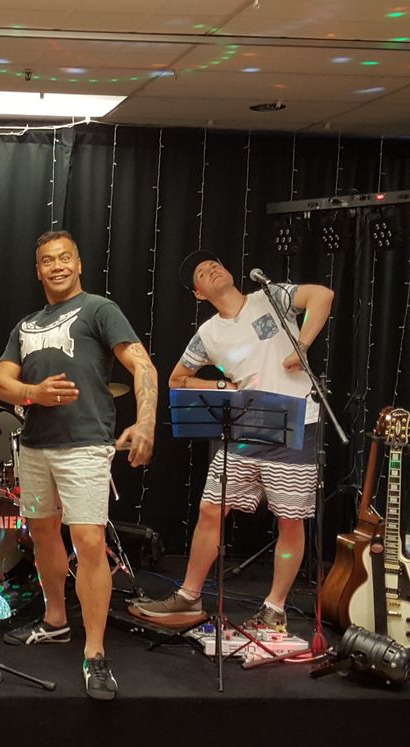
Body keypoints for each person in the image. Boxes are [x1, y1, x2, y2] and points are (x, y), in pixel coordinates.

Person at [0, 230, 158, 701]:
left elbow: (143, 366)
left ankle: (95, 652)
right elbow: (0, 382)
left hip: (85, 443)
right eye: (48, 260)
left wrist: (146, 423)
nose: (57, 266)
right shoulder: (26, 325)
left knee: (88, 540)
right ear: (38, 270)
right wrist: (33, 393)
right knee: (43, 534)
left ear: (79, 264)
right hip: (35, 446)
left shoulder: (99, 309)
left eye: (65, 258)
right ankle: (55, 620)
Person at [132, 256, 333, 635]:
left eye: (214, 264)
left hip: (296, 422)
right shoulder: (208, 334)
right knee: (211, 508)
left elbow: (322, 295)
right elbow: (177, 379)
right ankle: (189, 596)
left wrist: (302, 346)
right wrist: (224, 386)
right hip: (243, 428)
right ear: (199, 293)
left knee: (290, 520)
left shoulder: (271, 296)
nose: (211, 269)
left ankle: (274, 608)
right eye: (201, 273)